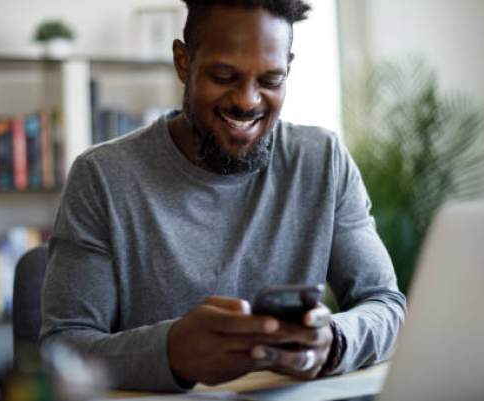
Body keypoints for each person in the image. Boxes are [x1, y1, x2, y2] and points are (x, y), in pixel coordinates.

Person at [40, 0, 406, 392]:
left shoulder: (323, 161)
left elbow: (386, 305)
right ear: (184, 62)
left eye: (270, 80)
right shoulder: (102, 177)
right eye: (224, 75)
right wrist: (171, 352)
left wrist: (333, 340)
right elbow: (62, 350)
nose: (248, 100)